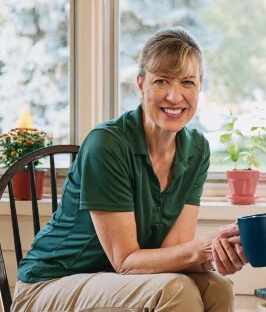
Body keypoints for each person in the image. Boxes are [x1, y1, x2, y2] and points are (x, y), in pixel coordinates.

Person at [12, 27, 246, 312]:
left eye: (187, 82)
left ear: (200, 87)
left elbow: (172, 254)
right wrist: (202, 248)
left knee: (217, 286)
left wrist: (219, 252)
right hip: (50, 285)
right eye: (162, 81)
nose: (175, 96)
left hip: (115, 284)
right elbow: (125, 261)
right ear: (140, 84)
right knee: (175, 290)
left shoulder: (196, 149)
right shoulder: (107, 144)